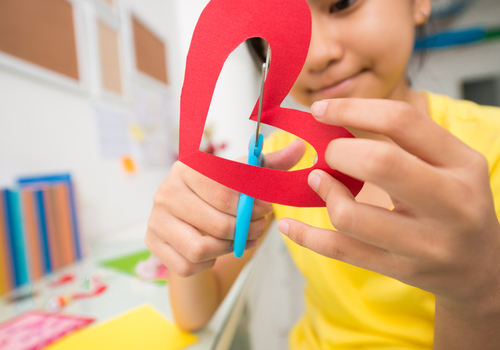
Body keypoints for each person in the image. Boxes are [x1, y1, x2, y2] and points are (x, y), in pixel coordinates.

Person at [145, 0, 500, 348]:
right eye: (282, 28)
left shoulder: (490, 147)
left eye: (342, 4)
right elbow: (196, 313)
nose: (316, 54)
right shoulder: (283, 155)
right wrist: (186, 235)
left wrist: (478, 297)